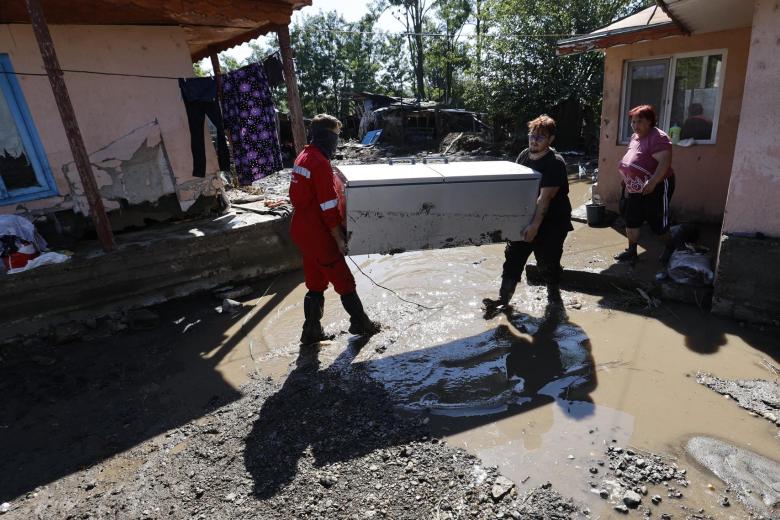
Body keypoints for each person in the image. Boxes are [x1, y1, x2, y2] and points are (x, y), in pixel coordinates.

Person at [288, 114, 381, 345]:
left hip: (301, 229)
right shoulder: (320, 163)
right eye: (336, 137)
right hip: (317, 232)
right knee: (343, 280)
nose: (336, 143)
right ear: (327, 136)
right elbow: (328, 207)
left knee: (315, 281)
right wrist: (339, 237)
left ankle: (311, 330)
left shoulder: (304, 155)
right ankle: (361, 323)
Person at [484, 114, 573, 309]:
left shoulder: (555, 162)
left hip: (551, 220)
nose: (534, 140)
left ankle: (554, 296)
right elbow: (516, 188)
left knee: (547, 260)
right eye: (532, 135)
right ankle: (503, 300)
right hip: (525, 216)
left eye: (541, 137)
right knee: (513, 258)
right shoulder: (524, 155)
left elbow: (545, 199)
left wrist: (534, 226)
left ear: (550, 140)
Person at [615, 105, 675, 263]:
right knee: (631, 218)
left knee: (657, 222)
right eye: (633, 122)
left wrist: (654, 182)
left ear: (650, 121)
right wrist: (626, 178)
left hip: (658, 184)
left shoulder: (658, 137)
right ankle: (632, 251)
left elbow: (665, 163)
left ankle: (670, 247)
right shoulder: (635, 137)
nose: (635, 126)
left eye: (639, 121)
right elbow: (633, 158)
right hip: (635, 185)